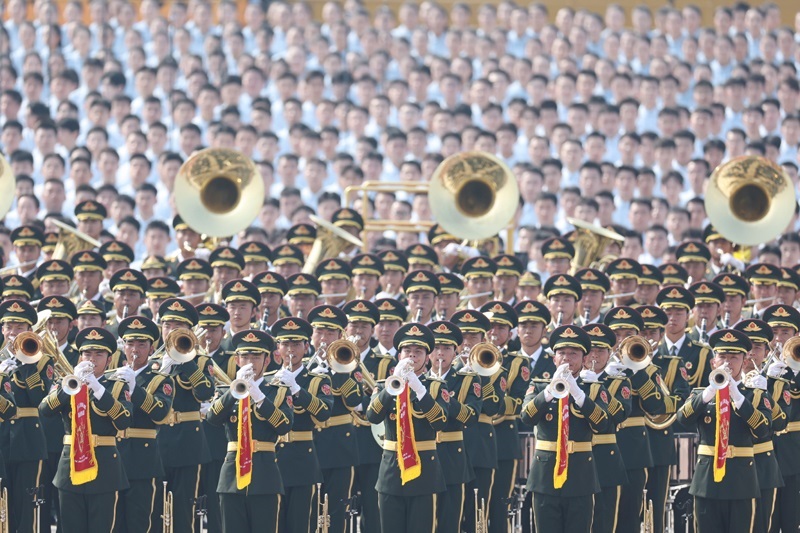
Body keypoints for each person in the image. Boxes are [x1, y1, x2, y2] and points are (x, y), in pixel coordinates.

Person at [677, 328, 772, 533]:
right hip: (707, 480)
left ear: (744, 362)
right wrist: (710, 391)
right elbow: (683, 418)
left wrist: (738, 397)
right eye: (722, 356)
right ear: (714, 362)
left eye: (734, 357)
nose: (727, 362)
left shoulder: (754, 395)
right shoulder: (701, 394)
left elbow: (764, 430)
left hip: (741, 480)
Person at [39, 327, 132, 532]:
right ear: (80, 357)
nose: (92, 359)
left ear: (109, 360)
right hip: (70, 466)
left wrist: (98, 389)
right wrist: (70, 385)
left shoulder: (117, 386)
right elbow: (45, 410)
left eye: (99, 354)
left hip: (104, 468)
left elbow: (124, 421)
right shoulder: (66, 383)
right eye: (87, 354)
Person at [520, 325, 610, 532]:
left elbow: (602, 424)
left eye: (573, 354)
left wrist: (578, 394)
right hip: (545, 475)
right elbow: (526, 417)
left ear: (584, 359)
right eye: (561, 353)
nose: (567, 358)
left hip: (580, 475)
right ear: (554, 358)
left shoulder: (593, 388)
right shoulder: (539, 386)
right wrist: (549, 391)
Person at [206, 329, 294, 532]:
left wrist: (259, 396)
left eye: (256, 357)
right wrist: (233, 391)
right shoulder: (226, 390)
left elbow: (284, 425)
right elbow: (212, 418)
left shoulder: (278, 391)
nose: (250, 362)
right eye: (245, 357)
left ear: (267, 361)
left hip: (264, 475)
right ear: (237, 360)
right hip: (232, 475)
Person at [366, 322, 449, 532]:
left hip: (424, 472)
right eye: (407, 351)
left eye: (418, 351)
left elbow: (440, 422)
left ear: (427, 357)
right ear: (399, 355)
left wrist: (420, 390)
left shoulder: (435, 386)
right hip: (391, 471)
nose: (412, 356)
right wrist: (391, 386)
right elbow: (372, 416)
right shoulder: (384, 385)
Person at [154, 297, 215, 533]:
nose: (171, 331)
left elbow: (205, 392)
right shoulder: (153, 362)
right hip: (157, 441)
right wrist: (163, 368)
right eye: (167, 325)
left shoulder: (201, 360)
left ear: (190, 331)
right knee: (156, 510)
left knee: (184, 511)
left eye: (178, 326)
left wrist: (185, 361)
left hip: (188, 443)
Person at [113, 315, 175, 533]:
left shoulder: (160, 379)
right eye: (130, 343)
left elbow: (160, 414)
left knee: (141, 523)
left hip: (143, 459)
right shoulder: (112, 377)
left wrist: (135, 388)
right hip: (113, 457)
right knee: (113, 523)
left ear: (151, 349)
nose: (135, 349)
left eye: (141, 344)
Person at [271, 317, 333, 533]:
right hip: (271, 460)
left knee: (300, 524)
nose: (290, 350)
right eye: (285, 344)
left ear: (307, 347)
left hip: (302, 461)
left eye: (296, 344)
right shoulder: (268, 379)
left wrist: (297, 389)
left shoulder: (317, 380)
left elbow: (323, 413)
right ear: (277, 348)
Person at [0, 300, 53, 533]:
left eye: (19, 327)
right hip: (2, 436)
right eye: (9, 326)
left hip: (28, 440)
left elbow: (39, 398)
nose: (13, 332)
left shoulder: (42, 360)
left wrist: (25, 363)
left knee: (27, 507)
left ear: (30, 330)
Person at [427, 320, 482, 533]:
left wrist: (445, 398)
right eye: (436, 348)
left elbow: (471, 416)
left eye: (447, 348)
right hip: (422, 454)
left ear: (455, 352)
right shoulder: (417, 380)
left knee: (450, 521)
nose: (441, 353)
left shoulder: (467, 380)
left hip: (452, 456)